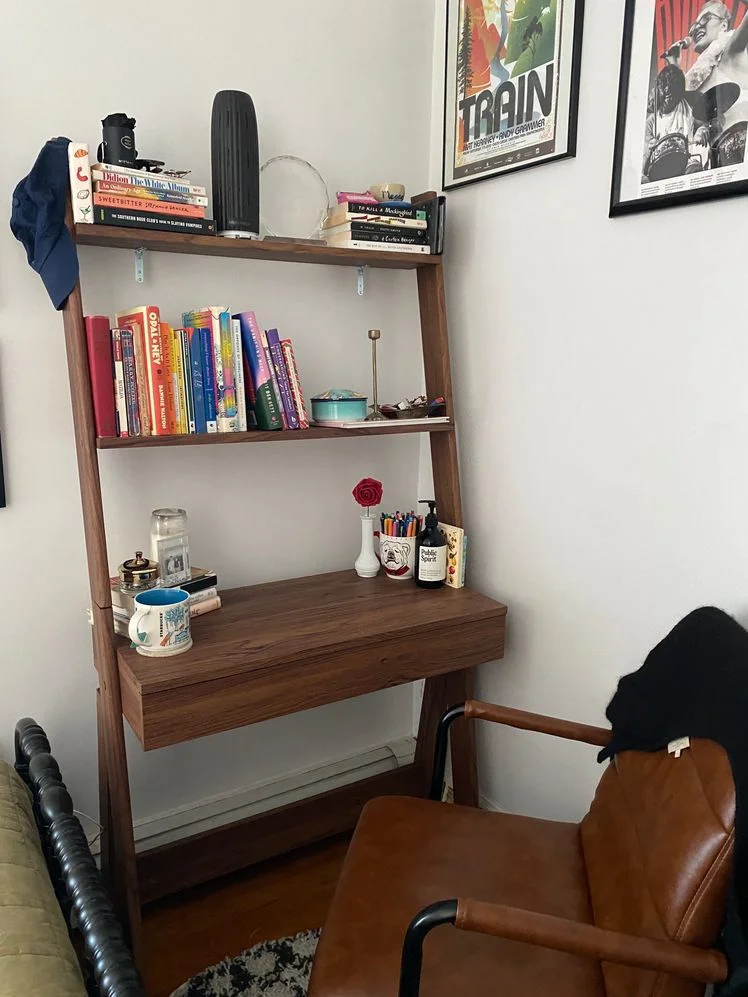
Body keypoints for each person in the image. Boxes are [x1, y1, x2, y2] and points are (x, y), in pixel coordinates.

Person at [686, 0, 748, 131]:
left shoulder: (731, 48)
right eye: (694, 26)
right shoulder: (699, 76)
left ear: (723, 26)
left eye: (705, 19)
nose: (697, 28)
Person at [643, 65, 710, 178]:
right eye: (665, 96)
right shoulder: (651, 121)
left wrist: (702, 129)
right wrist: (651, 143)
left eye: (672, 97)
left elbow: (710, 122)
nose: (667, 100)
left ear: (679, 95)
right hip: (663, 168)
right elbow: (646, 146)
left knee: (694, 170)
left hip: (689, 161)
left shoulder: (692, 102)